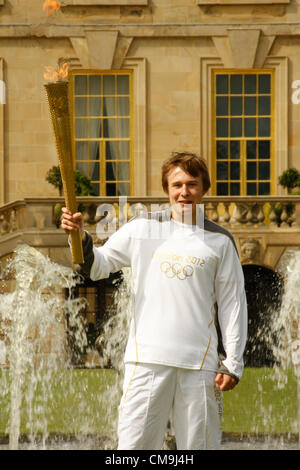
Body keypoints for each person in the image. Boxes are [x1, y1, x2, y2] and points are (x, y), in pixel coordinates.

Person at [61, 152, 248, 450]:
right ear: (167, 189)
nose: (184, 192)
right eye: (177, 185)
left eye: (192, 184)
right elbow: (98, 265)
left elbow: (233, 304)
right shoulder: (142, 229)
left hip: (200, 366)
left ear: (203, 189)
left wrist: (233, 362)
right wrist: (79, 236)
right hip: (145, 360)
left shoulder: (220, 241)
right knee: (134, 450)